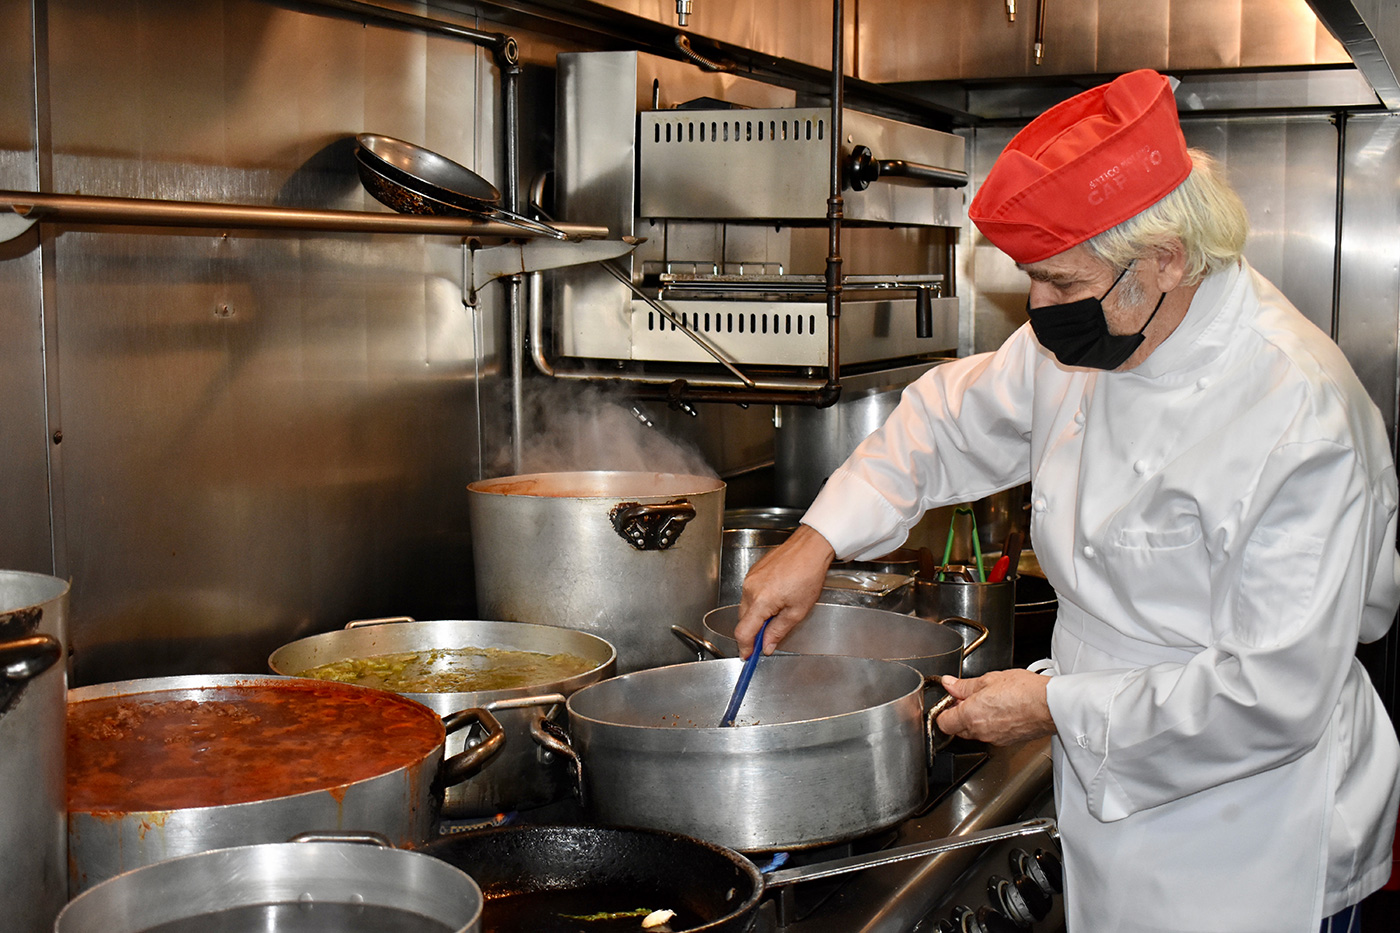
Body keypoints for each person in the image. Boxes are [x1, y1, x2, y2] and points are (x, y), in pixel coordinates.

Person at [734, 69, 1400, 933]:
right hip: (1112, 797)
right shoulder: (1104, 324)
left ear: (1164, 259)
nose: (1039, 314)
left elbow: (1269, 696)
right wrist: (817, 539)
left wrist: (1051, 706)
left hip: (1253, 836)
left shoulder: (1298, 414)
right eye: (1032, 281)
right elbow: (942, 422)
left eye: (1061, 283)